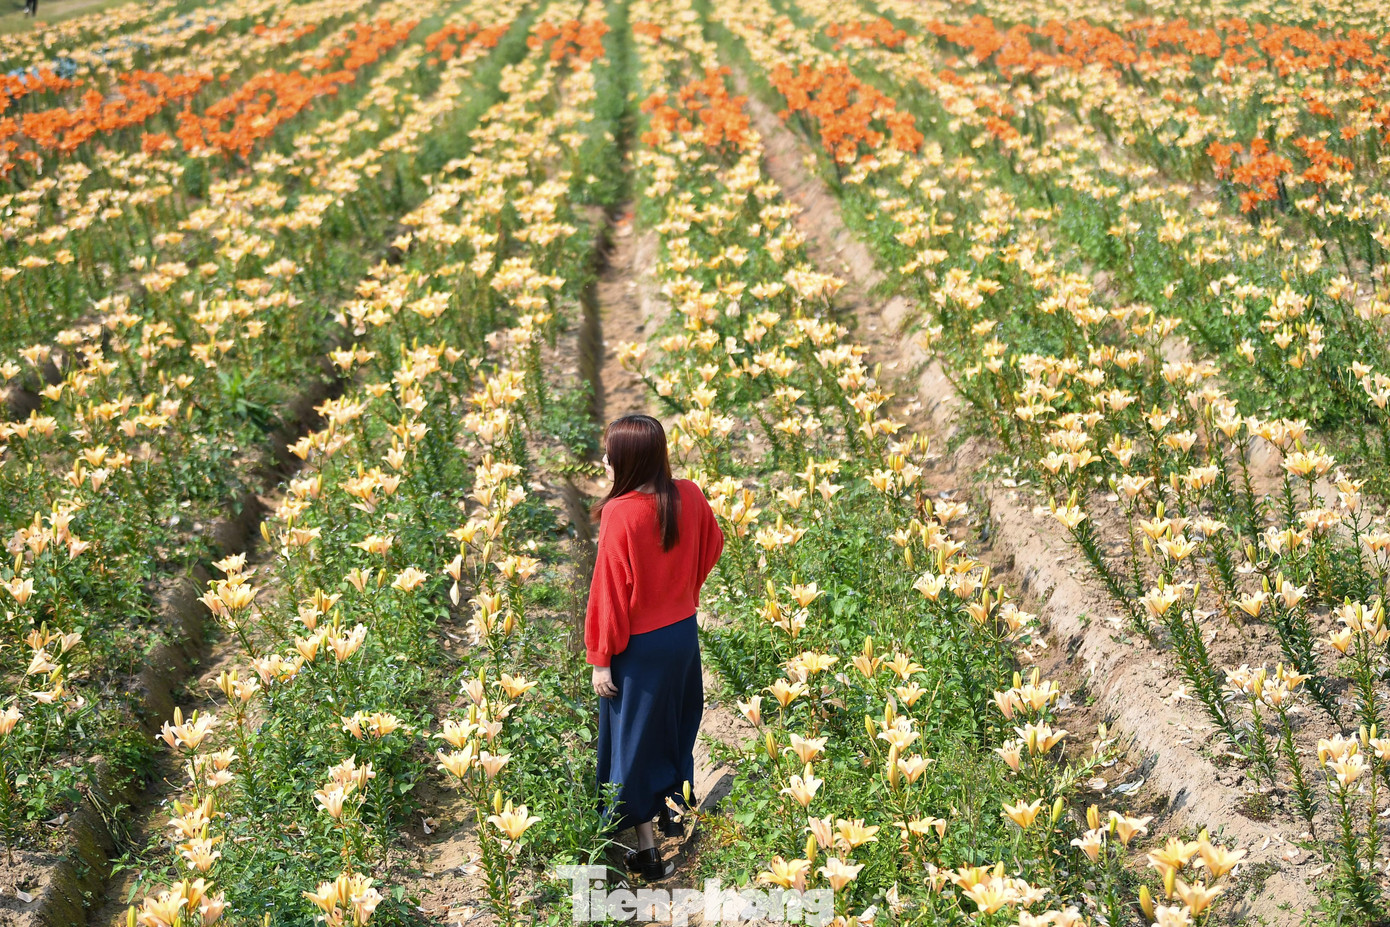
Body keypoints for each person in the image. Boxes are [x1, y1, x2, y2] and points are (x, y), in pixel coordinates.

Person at [585, 414, 724, 882]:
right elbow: (713, 545)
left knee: (633, 745)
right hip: (681, 634)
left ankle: (648, 853)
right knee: (677, 723)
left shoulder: (620, 512)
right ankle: (673, 809)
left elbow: (608, 592)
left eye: (610, 453)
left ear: (629, 458)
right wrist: (682, 590)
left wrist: (601, 659)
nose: (604, 460)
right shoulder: (689, 494)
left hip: (639, 648)